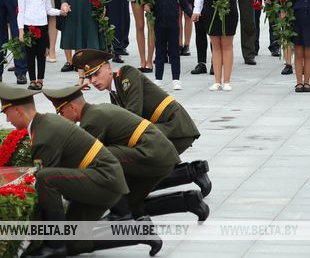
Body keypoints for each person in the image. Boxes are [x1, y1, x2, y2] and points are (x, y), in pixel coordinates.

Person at [0, 82, 161, 257]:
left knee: (45, 178)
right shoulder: (44, 124)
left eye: (7, 113)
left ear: (18, 111)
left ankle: (54, 246)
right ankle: (140, 232)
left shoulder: (43, 135)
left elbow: (46, 184)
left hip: (103, 180)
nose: (7, 119)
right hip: (101, 178)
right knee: (72, 241)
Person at [41, 86, 205, 222]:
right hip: (157, 153)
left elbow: (84, 159)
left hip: (152, 154)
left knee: (103, 159)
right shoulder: (96, 110)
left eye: (61, 112)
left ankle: (121, 213)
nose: (61, 117)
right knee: (132, 203)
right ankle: (189, 201)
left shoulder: (92, 120)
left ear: (72, 107)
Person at [77, 49, 211, 202]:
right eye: (89, 76)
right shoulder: (115, 92)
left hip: (174, 127)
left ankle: (193, 172)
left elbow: (133, 116)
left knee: (141, 171)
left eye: (96, 74)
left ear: (109, 68)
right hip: (162, 129)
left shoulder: (126, 74)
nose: (93, 80)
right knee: (139, 170)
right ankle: (192, 171)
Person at [146, 0, 193, 89]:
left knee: (174, 52)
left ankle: (176, 79)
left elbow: (184, 5)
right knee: (160, 52)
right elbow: (150, 3)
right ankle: (158, 78)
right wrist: (148, 6)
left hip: (173, 25)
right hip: (159, 25)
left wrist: (192, 15)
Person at [17, 0, 61, 90]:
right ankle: (32, 80)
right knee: (30, 55)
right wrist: (21, 31)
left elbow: (48, 9)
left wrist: (59, 12)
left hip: (42, 26)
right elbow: (21, 12)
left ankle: (40, 79)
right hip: (28, 26)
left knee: (41, 54)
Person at [289, 0, 310, 92]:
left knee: (308, 54)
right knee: (298, 54)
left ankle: (307, 82)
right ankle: (298, 82)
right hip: (297, 27)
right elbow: (288, 9)